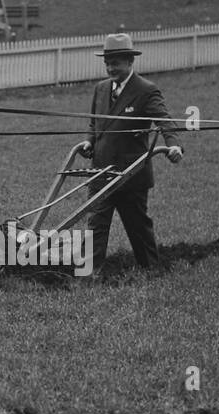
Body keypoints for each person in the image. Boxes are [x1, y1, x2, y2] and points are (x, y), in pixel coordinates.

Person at [78, 33, 183, 274]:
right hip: (101, 172)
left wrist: (174, 145)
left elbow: (164, 120)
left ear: (129, 62)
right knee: (96, 225)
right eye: (107, 62)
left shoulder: (145, 90)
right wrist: (88, 142)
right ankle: (89, 274)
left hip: (130, 174)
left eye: (115, 63)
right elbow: (94, 123)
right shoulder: (101, 89)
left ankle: (152, 269)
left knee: (137, 226)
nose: (110, 68)